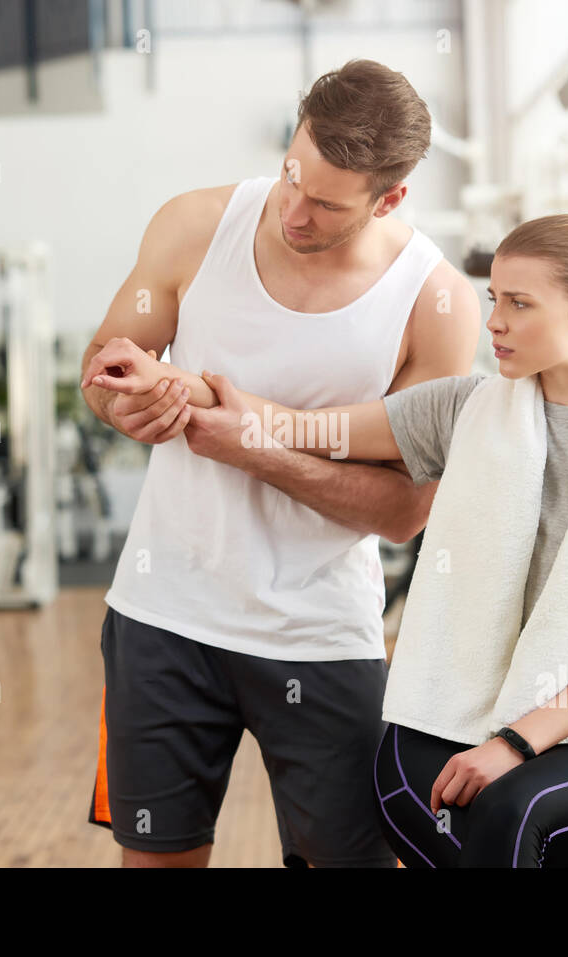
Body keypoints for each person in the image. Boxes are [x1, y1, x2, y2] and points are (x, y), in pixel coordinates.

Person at [83, 213, 568, 867]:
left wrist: (513, 744)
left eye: (519, 304)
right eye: (493, 299)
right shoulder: (463, 409)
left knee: (505, 813)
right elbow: (307, 428)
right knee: (413, 801)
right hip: (447, 719)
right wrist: (170, 381)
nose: (494, 321)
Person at [80, 59, 482, 868]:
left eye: (328, 203)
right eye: (291, 177)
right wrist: (122, 401)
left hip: (320, 632)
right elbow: (102, 364)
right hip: (163, 616)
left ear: (390, 198)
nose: (293, 211)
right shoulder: (195, 225)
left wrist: (256, 448)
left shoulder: (433, 303)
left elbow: (405, 512)